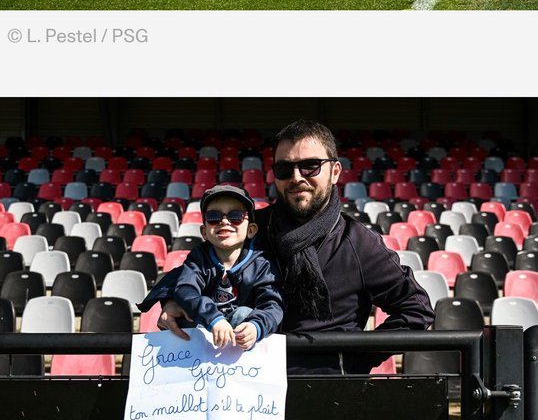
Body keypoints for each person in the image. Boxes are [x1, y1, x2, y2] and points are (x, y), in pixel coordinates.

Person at [152, 120, 434, 373]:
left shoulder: (360, 243)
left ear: (335, 171)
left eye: (310, 165)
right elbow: (194, 269)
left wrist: (355, 357)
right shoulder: (251, 227)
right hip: (244, 386)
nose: (297, 176)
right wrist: (172, 300)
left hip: (327, 392)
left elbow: (416, 310)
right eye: (285, 168)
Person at [138, 185, 283, 350]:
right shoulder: (198, 259)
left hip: (241, 344)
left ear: (251, 230)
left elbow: (272, 303)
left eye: (236, 216)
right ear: (204, 232)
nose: (224, 221)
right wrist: (213, 318)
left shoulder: (262, 264)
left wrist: (256, 327)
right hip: (205, 332)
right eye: (214, 216)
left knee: (244, 313)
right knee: (186, 315)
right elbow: (186, 289)